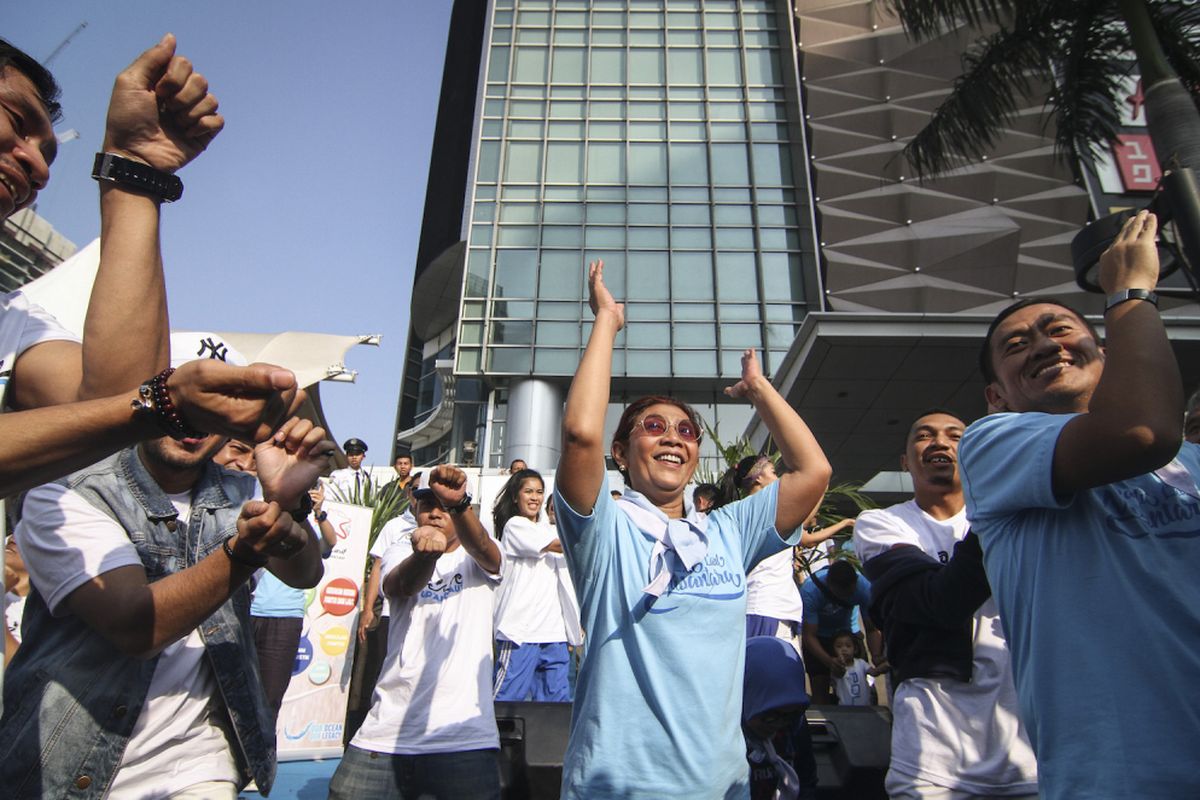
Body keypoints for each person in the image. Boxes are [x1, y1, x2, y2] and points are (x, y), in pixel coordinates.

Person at [1, 332, 334, 798]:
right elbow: (138, 626)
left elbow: (304, 573)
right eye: (191, 403)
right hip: (72, 765)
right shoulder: (66, 490)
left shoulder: (240, 488)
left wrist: (288, 501)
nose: (196, 423)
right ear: (158, 399)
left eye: (217, 409)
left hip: (202, 764)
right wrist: (242, 554)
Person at [553, 260, 831, 798]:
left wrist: (759, 390)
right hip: (617, 785)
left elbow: (813, 472)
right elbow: (580, 434)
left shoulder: (727, 529)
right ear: (622, 453)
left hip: (719, 785)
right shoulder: (603, 530)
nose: (673, 438)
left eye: (686, 431)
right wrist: (607, 320)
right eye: (653, 428)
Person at [959, 210, 1200, 799]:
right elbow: (1141, 429)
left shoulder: (1194, 462)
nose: (1043, 345)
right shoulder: (993, 445)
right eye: (1017, 345)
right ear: (998, 395)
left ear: (1105, 351)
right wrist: (1130, 294)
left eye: (1060, 329)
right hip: (1121, 776)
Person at [0, 36, 302, 498]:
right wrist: (164, 401)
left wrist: (134, 172)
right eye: (18, 122)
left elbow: (116, 408)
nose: (38, 166)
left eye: (47, 152)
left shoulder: (14, 323)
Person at [854, 410, 1037, 798]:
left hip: (1029, 756)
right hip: (932, 760)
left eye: (955, 436)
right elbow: (940, 603)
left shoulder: (1024, 519)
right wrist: (999, 505)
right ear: (905, 461)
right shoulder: (881, 524)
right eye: (925, 435)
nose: (940, 442)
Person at [329, 466, 504, 800]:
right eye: (427, 504)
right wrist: (425, 557)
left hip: (465, 738)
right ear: (414, 509)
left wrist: (459, 503)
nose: (435, 512)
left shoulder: (481, 553)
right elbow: (400, 585)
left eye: (444, 506)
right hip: (385, 734)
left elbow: (486, 552)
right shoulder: (400, 547)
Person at [213, 439, 338, 726]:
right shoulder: (222, 503)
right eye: (238, 449)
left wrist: (299, 506)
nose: (245, 465)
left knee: (266, 702)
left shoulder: (283, 507)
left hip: (282, 614)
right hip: (242, 612)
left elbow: (314, 563)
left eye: (255, 458)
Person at [492, 468, 582, 702]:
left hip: (554, 633)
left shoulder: (550, 529)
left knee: (556, 704)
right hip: (521, 632)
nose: (535, 497)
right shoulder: (515, 526)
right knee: (506, 698)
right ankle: (494, 740)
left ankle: (547, 741)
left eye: (539, 492)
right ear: (515, 496)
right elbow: (558, 544)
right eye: (528, 492)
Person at [798, 559, 883, 704]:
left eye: (849, 593)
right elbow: (809, 635)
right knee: (820, 693)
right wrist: (829, 662)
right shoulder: (810, 590)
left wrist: (876, 656)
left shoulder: (863, 588)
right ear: (830, 585)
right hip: (819, 638)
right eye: (841, 594)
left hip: (849, 636)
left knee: (863, 689)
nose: (846, 598)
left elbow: (872, 628)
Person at [742, 636, 812, 800]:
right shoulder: (724, 736)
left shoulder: (795, 727)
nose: (780, 724)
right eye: (770, 716)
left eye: (790, 714)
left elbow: (807, 780)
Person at [829, 630, 874, 707]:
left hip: (865, 708)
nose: (844, 649)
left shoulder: (861, 663)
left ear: (855, 649)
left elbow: (874, 672)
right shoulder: (836, 667)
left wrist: (886, 665)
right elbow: (839, 673)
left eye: (848, 646)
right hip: (844, 709)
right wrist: (841, 662)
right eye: (839, 646)